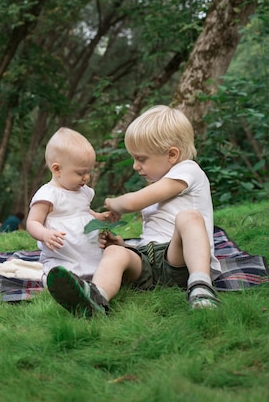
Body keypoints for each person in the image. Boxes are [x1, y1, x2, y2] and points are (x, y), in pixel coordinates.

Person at [47, 105, 221, 316]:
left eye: (141, 159)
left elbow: (131, 203)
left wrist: (112, 202)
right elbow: (154, 232)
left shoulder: (188, 170)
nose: (135, 166)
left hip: (181, 258)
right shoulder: (160, 183)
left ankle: (201, 284)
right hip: (150, 260)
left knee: (189, 217)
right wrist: (125, 246)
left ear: (172, 155)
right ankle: (96, 296)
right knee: (115, 252)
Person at [26, 128, 117, 283]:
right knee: (59, 272)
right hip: (62, 255)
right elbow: (32, 222)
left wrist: (99, 217)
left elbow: (82, 211)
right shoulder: (48, 195)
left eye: (89, 172)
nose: (86, 178)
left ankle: (97, 279)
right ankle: (60, 283)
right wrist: (44, 234)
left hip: (87, 250)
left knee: (100, 266)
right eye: (80, 173)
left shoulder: (83, 191)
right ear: (57, 169)